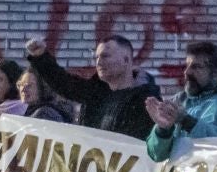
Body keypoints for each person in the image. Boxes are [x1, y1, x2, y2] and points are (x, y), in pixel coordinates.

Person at [23, 35, 160, 140]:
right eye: (97, 58)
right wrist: (41, 57)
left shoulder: (146, 100)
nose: (99, 62)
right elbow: (63, 83)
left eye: (105, 56)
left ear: (126, 60)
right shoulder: (95, 91)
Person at [143, 41, 217, 161]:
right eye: (187, 66)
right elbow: (157, 155)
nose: (187, 72)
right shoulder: (179, 100)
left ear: (216, 73)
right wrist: (163, 130)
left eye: (196, 67)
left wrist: (187, 122)